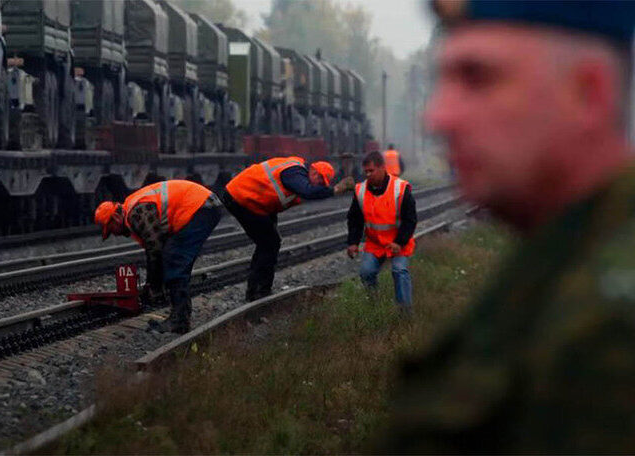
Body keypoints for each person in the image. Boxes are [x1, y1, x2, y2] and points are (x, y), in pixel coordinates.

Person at [385, 1, 635, 452]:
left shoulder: (610, 330)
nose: (438, 117)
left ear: (588, 93)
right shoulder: (564, 260)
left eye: (478, 78)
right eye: (443, 80)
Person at [94, 180, 222, 334]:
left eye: (111, 230)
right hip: (204, 205)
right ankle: (180, 316)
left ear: (115, 218)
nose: (114, 234)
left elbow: (155, 248)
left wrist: (154, 285)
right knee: (174, 258)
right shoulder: (133, 208)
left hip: (199, 207)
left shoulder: (136, 213)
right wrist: (153, 283)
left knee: (175, 260)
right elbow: (155, 247)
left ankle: (179, 321)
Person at [222, 157, 355, 301]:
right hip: (241, 198)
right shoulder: (294, 173)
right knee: (269, 244)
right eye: (321, 181)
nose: (320, 185)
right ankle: (259, 292)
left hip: (255, 202)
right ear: (314, 172)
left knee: (268, 243)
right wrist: (335, 190)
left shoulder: (297, 173)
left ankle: (256, 290)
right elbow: (308, 192)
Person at [346, 151, 417, 313]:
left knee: (399, 271)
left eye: (371, 171)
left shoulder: (400, 188)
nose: (368, 175)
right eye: (366, 172)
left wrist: (399, 242)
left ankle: (405, 312)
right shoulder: (360, 190)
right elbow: (355, 219)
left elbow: (410, 220)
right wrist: (353, 243)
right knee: (366, 273)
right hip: (375, 243)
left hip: (399, 243)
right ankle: (374, 306)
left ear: (382, 168)